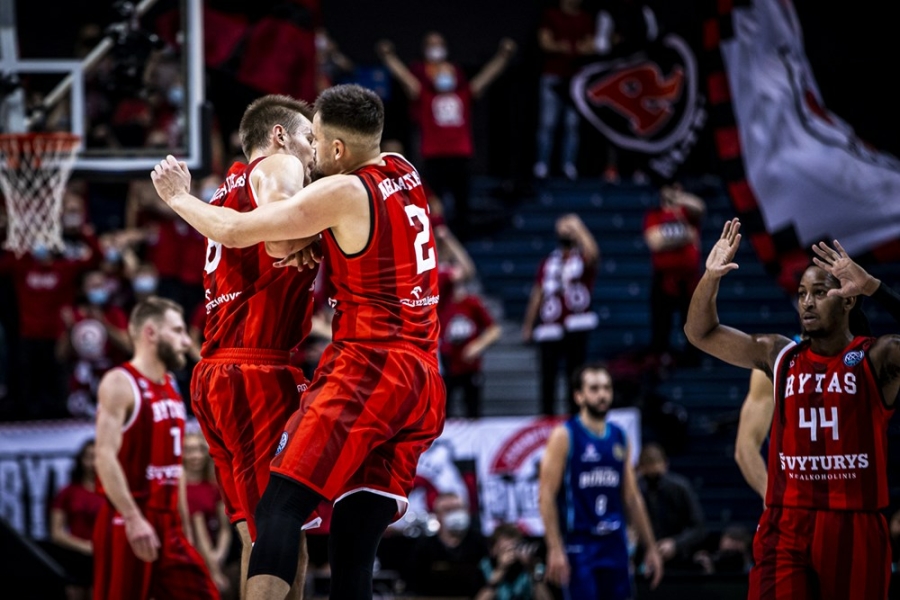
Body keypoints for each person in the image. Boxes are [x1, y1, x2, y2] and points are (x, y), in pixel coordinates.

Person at [150, 83, 446, 600]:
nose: (310, 155)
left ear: (337, 148)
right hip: (421, 375)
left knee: (278, 513)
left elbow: (257, 234)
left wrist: (177, 197)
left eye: (318, 140)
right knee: (351, 547)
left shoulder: (328, 191)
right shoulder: (404, 168)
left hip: (364, 368)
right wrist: (314, 236)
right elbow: (303, 233)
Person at [684, 219, 900, 599]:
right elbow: (699, 332)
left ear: (848, 299)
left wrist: (873, 287)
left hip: (854, 522)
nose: (807, 302)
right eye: (802, 293)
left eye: (820, 292)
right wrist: (710, 278)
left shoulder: (877, 357)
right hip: (786, 522)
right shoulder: (779, 355)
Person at [187, 93, 322, 600]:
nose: (313, 151)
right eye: (308, 138)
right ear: (280, 136)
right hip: (254, 371)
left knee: (262, 537)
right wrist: (315, 234)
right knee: (280, 537)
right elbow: (281, 239)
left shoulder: (229, 187)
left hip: (223, 372)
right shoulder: (280, 164)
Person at [92, 296, 219, 600]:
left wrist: (183, 528)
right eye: (177, 331)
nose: (186, 341)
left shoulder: (171, 384)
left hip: (169, 521)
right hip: (130, 518)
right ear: (151, 333)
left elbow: (176, 469)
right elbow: (104, 456)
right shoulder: (120, 382)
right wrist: (132, 517)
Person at [538, 361, 663, 599]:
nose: (602, 395)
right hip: (579, 543)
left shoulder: (619, 436)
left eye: (606, 388)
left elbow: (632, 497)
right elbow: (546, 496)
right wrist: (554, 548)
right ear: (578, 396)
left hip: (615, 542)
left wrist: (650, 547)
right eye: (594, 389)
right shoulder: (564, 435)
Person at [376, 33, 516, 235]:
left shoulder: (463, 94)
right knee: (433, 205)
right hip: (434, 157)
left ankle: (461, 240)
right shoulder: (426, 96)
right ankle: (435, 240)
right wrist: (389, 57)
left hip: (460, 156)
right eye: (440, 73)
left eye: (448, 72)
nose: (444, 75)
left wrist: (503, 56)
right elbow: (405, 78)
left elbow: (486, 77)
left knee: (462, 207)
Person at [522, 213, 599, 415]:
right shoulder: (548, 261)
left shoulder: (581, 258)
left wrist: (578, 227)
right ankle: (547, 417)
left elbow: (594, 254)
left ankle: (576, 415)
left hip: (576, 323)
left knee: (575, 373)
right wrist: (528, 324)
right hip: (550, 324)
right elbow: (538, 293)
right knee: (548, 376)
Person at [642, 182, 706, 367]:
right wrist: (686, 236)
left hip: (690, 280)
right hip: (664, 279)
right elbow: (655, 242)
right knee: (661, 324)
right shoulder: (654, 214)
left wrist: (678, 199)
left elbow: (701, 207)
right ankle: (660, 360)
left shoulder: (688, 212)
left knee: (692, 324)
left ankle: (693, 362)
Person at [533, 0, 596, 181]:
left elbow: (591, 45)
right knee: (547, 123)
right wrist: (564, 47)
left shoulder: (585, 18)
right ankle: (542, 165)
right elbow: (545, 42)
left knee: (572, 124)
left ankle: (568, 165)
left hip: (575, 80)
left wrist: (568, 47)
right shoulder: (551, 15)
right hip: (552, 76)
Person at [635, 443, 706, 571]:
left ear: (665, 465)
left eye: (657, 476)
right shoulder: (635, 491)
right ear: (640, 469)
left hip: (679, 562)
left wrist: (675, 544)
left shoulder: (680, 488)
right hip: (642, 560)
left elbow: (699, 528)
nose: (653, 481)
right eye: (648, 477)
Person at [439, 276, 502, 418]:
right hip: (447, 366)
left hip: (469, 367)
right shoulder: (442, 306)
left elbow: (495, 330)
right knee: (443, 413)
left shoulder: (472, 303)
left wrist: (478, 345)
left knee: (473, 412)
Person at [49, 438, 104, 600]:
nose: (92, 463)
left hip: (105, 556)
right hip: (75, 557)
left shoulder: (113, 492)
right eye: (88, 457)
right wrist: (85, 546)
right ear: (81, 460)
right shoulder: (68, 492)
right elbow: (56, 532)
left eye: (97, 457)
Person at [407, 491, 489, 597]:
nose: (455, 514)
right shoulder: (423, 547)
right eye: (448, 510)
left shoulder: (480, 543)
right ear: (437, 515)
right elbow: (414, 584)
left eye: (458, 509)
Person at [184, 431, 234, 596]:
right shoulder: (178, 489)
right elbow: (197, 531)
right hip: (188, 555)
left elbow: (225, 528)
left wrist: (219, 554)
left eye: (199, 450)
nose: (195, 456)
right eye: (189, 450)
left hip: (214, 554)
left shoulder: (213, 487)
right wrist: (212, 567)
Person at [474, 523, 554, 600]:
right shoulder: (484, 566)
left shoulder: (532, 565)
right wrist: (501, 569)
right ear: (494, 550)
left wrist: (532, 570)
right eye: (505, 550)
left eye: (514, 548)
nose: (511, 554)